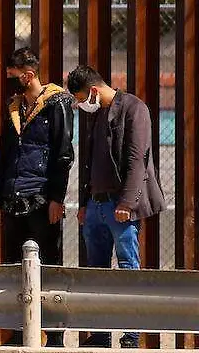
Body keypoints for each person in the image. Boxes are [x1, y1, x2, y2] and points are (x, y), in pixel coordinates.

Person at [67, 65, 165, 349]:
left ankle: (132, 334)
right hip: (96, 205)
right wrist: (85, 202)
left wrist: (127, 202)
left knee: (127, 268)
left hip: (119, 206)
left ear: (94, 91)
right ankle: (100, 334)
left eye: (81, 98)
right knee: (96, 271)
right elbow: (91, 163)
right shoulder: (98, 115)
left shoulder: (134, 108)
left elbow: (137, 159)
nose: (80, 104)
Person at [0, 47, 73, 347]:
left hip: (40, 198)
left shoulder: (57, 104)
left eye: (13, 76)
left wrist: (56, 199)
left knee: (48, 268)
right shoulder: (14, 108)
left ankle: (55, 336)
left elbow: (63, 155)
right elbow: (3, 157)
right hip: (13, 198)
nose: (10, 81)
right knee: (14, 267)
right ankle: (18, 333)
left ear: (29, 74)